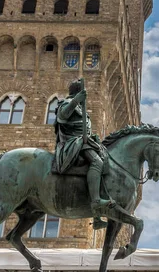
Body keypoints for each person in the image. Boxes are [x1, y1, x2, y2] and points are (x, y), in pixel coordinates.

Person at [54, 79, 115, 226]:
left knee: (105, 163)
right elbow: (62, 117)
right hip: (73, 143)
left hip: (84, 142)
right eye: (83, 95)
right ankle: (96, 202)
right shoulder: (67, 103)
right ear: (77, 93)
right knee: (97, 162)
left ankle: (96, 216)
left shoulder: (82, 110)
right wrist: (76, 101)